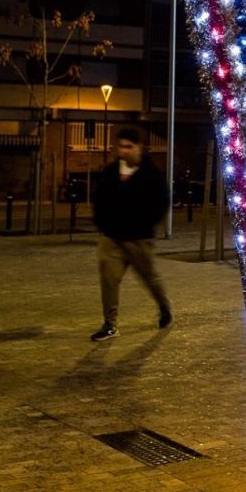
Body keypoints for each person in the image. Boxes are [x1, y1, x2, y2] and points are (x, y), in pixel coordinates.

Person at [89, 127, 172, 341]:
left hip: (139, 238)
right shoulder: (110, 173)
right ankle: (110, 324)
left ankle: (164, 308)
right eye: (121, 146)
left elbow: (161, 202)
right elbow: (99, 200)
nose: (124, 151)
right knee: (109, 279)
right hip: (112, 237)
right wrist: (103, 224)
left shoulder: (152, 174)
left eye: (129, 146)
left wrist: (145, 223)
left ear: (139, 148)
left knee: (149, 278)